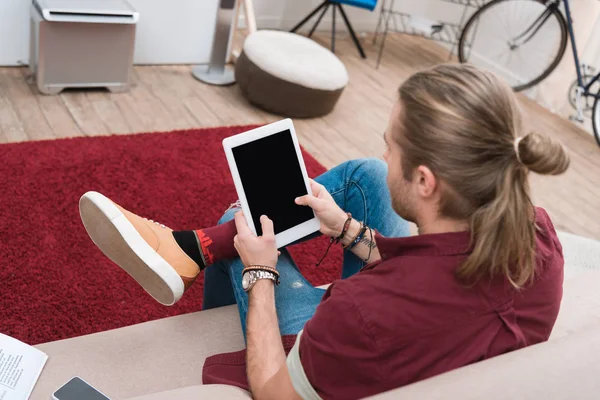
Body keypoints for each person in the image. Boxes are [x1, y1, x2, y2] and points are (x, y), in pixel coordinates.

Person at [79, 63, 570, 400]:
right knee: (367, 178)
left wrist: (260, 274)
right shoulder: (540, 237)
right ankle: (192, 250)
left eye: (392, 146)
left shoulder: (360, 312)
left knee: (242, 222)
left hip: (350, 348)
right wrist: (348, 230)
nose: (386, 152)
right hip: (428, 327)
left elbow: (277, 391)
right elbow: (437, 271)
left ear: (425, 181)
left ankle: (200, 251)